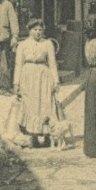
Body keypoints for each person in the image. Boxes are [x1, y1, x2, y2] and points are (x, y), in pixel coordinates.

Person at [15, 19, 62, 147]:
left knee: (46, 105)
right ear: (29, 31)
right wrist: (16, 83)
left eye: (40, 30)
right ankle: (33, 137)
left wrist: (56, 81)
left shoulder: (47, 44)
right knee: (31, 106)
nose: (38, 32)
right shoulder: (22, 45)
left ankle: (47, 135)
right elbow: (18, 64)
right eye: (35, 30)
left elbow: (52, 63)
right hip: (28, 77)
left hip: (44, 77)